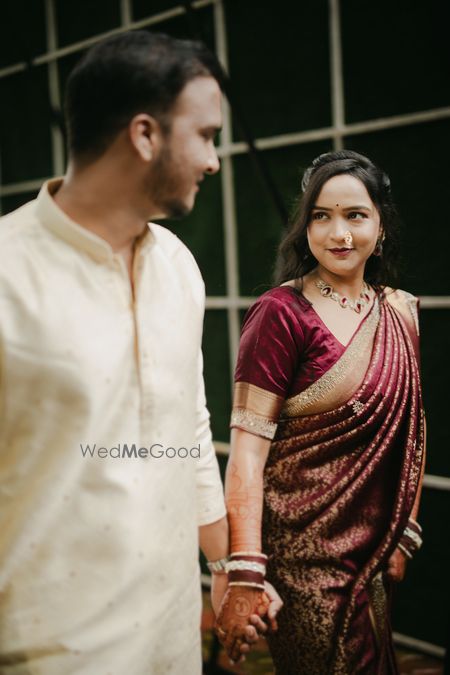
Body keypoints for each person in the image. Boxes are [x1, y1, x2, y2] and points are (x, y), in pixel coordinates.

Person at [0, 30, 255, 674]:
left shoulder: (178, 266)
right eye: (205, 135)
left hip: (172, 641)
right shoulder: (7, 271)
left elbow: (187, 428)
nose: (214, 161)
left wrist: (225, 567)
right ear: (145, 135)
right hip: (45, 655)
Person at [216, 150, 426, 674]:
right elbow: (246, 453)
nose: (339, 233)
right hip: (300, 562)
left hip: (374, 557)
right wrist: (246, 570)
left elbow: (414, 430)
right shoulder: (281, 313)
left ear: (381, 225)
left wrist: (406, 531)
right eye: (321, 216)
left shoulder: (400, 311)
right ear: (304, 226)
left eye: (355, 215)